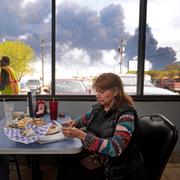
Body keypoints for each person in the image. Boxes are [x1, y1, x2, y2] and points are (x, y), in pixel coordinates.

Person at [59, 73, 147, 180]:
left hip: (115, 169)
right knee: (66, 160)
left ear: (115, 91)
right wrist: (73, 123)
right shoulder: (100, 107)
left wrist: (82, 136)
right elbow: (84, 119)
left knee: (73, 170)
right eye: (97, 91)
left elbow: (115, 148)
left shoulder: (126, 115)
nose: (97, 95)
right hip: (99, 158)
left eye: (102, 91)